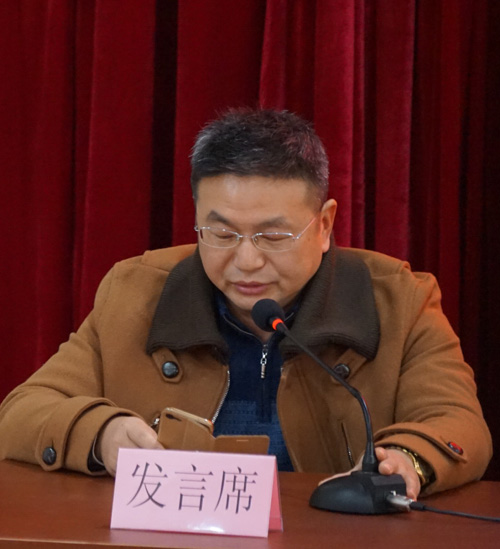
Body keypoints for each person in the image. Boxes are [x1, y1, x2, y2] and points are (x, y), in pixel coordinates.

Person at [0, 109, 491, 500]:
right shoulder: (134, 291)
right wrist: (102, 433)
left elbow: (460, 424)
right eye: (221, 233)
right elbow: (21, 412)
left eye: (273, 236)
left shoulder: (401, 299)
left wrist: (408, 459)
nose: (247, 261)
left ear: (324, 225)